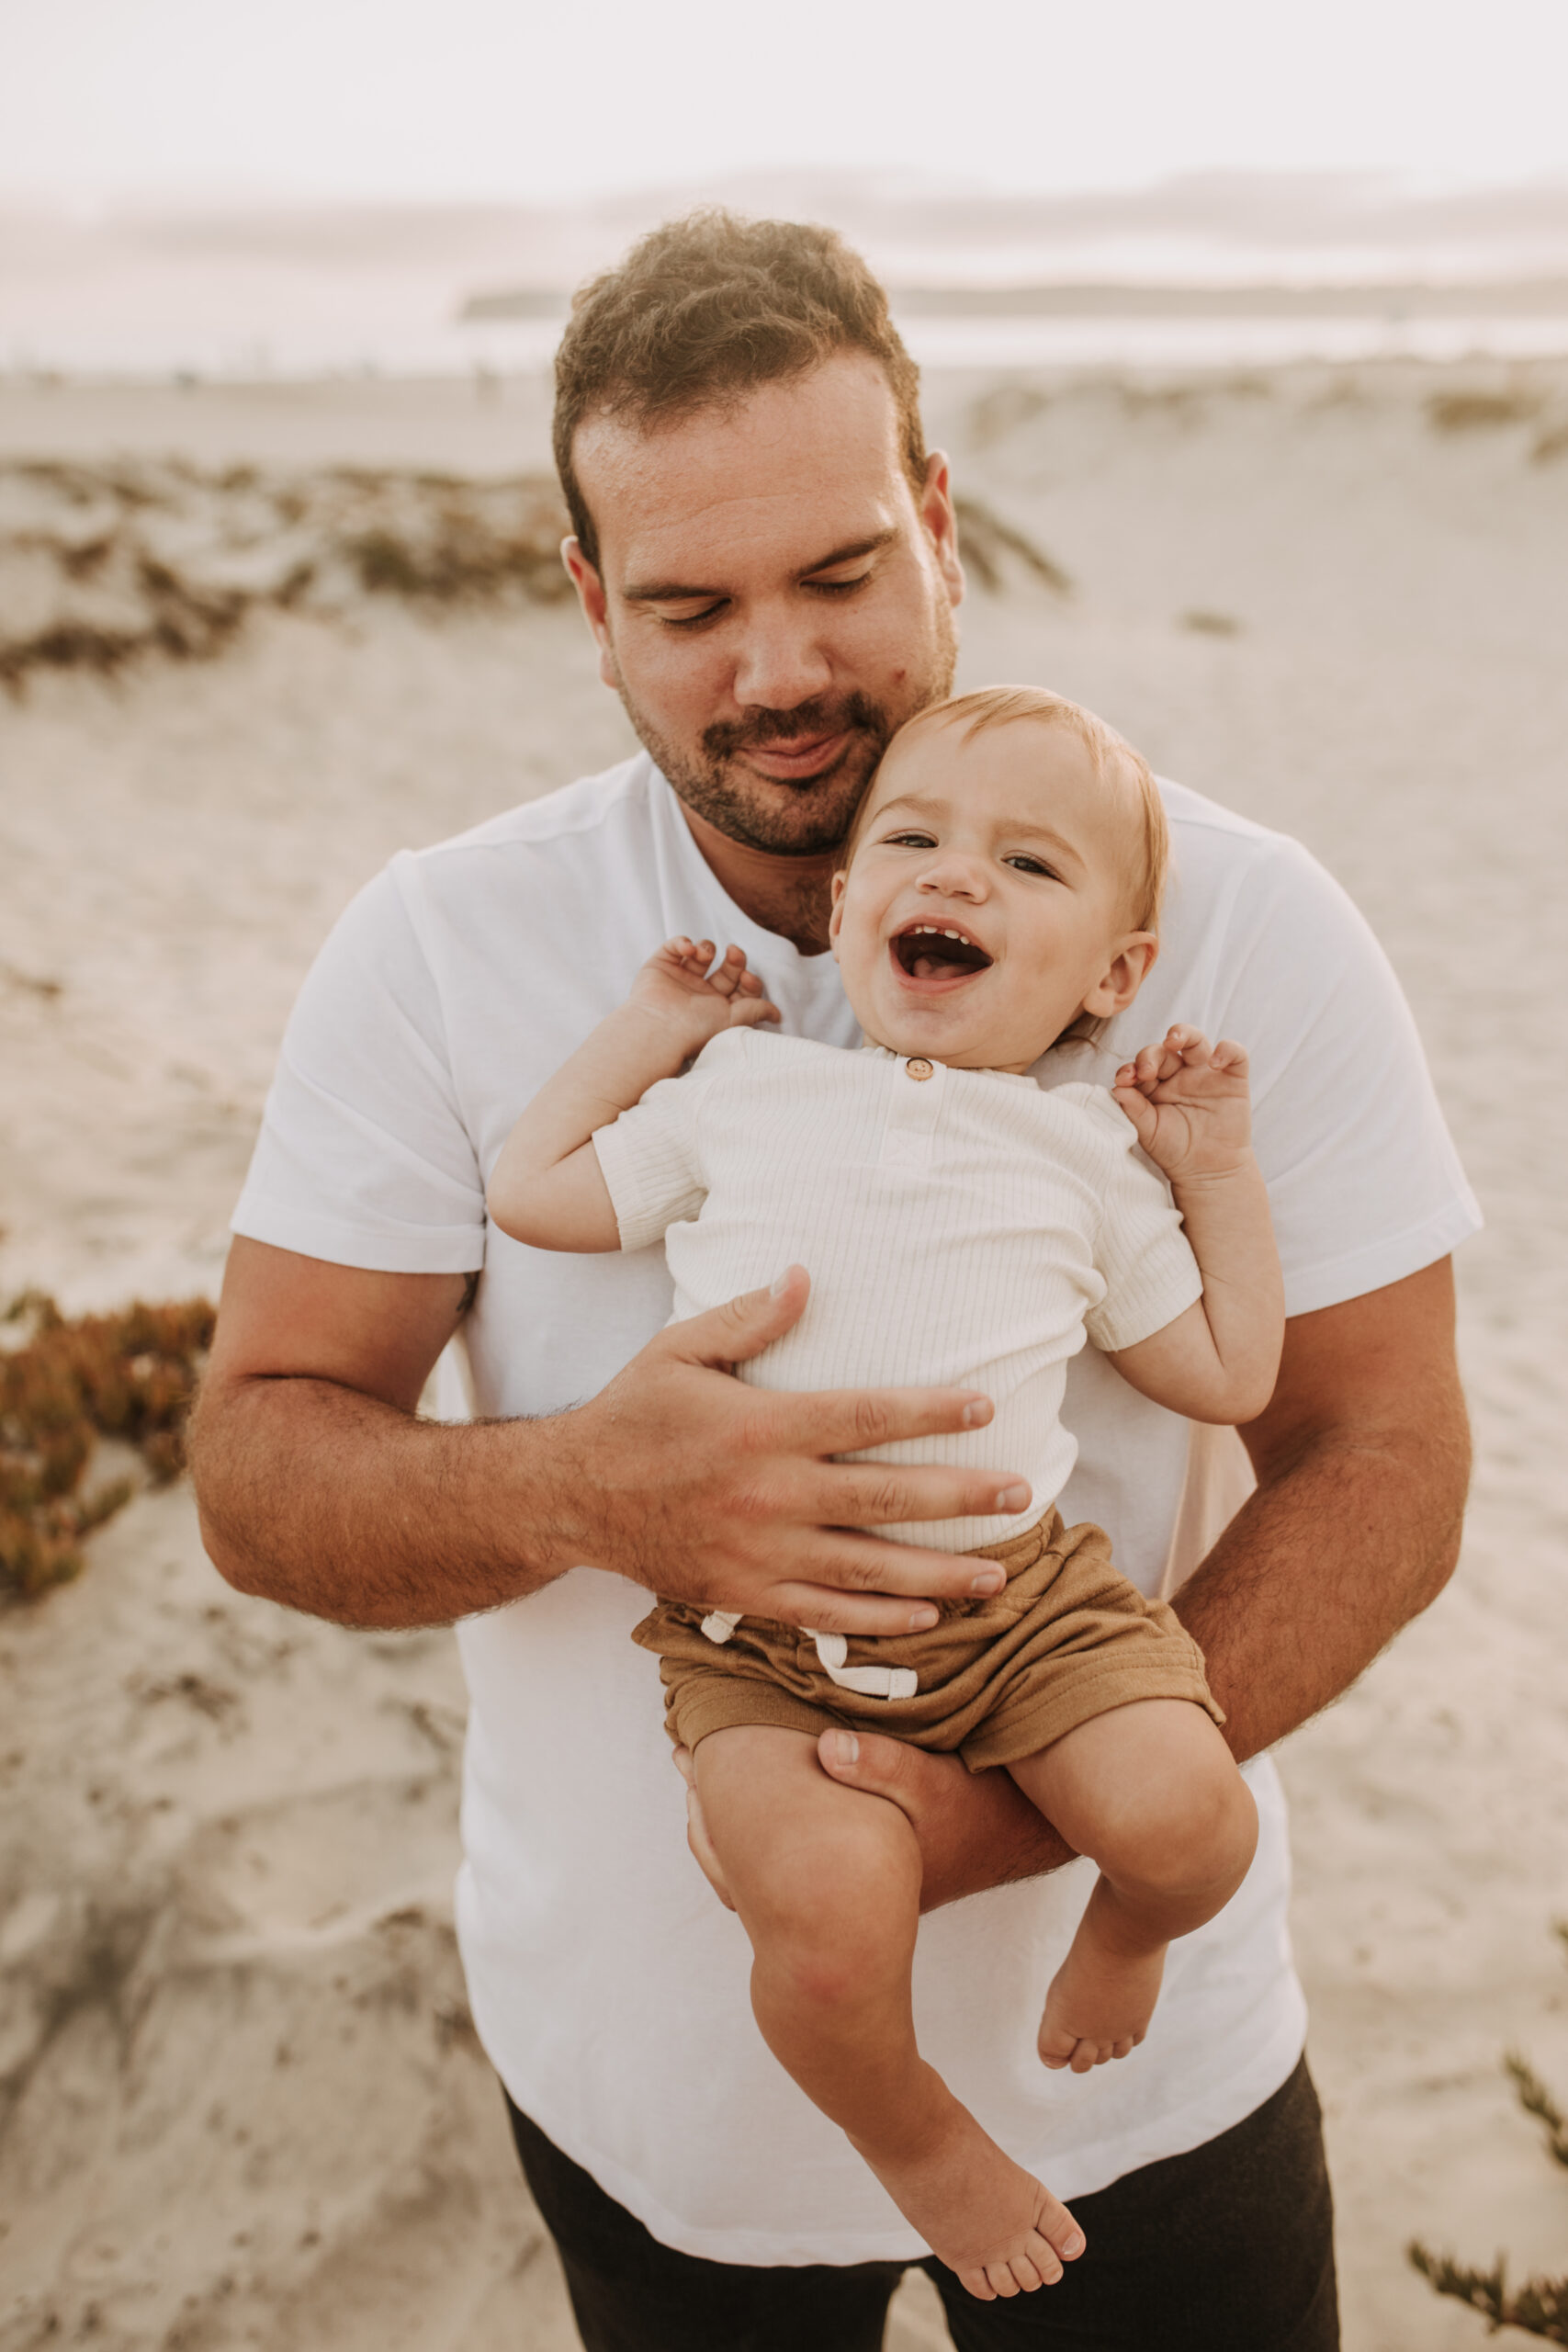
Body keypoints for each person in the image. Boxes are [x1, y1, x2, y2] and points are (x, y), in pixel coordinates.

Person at [189, 209, 1478, 2352]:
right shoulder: (441, 945)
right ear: (590, 606)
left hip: (1153, 2095)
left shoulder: (1240, 923)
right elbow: (256, 1463)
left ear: (939, 522)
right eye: (688, 605)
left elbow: (1387, 1444)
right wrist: (586, 1491)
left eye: (836, 575)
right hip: (646, 2093)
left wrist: (1032, 1798)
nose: (776, 669)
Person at [485, 683, 1281, 2301]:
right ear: (845, 907)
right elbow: (536, 1193)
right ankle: (916, 2138)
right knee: (832, 1932)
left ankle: (1126, 1928)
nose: (958, 878)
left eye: (1030, 866)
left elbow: (1229, 1376)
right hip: (758, 1632)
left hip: (1020, 1607)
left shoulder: (1085, 1158)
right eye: (913, 841)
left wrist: (1213, 1172)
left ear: (1114, 977)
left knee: (1198, 1826)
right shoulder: (742, 1100)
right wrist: (654, 1033)